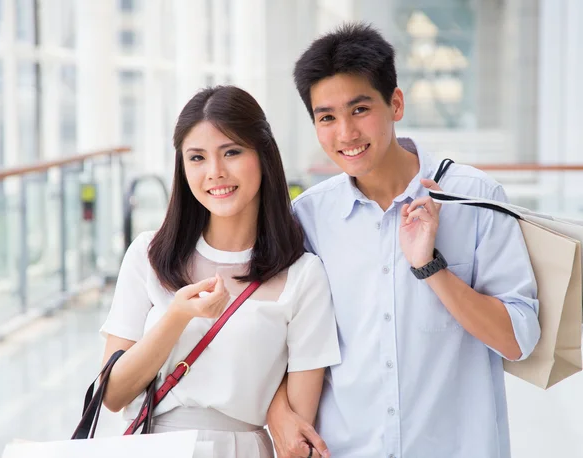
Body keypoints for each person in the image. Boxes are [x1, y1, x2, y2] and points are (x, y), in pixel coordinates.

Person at [267, 23, 541, 458]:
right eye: (327, 118)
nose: (346, 134)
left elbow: (518, 340)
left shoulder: (475, 198)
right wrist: (277, 413)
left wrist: (430, 268)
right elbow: (272, 342)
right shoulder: (308, 219)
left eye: (360, 109)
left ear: (395, 103)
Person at [99, 85, 341, 458]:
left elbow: (297, 423)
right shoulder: (148, 255)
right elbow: (113, 395)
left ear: (262, 156)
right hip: (151, 445)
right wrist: (177, 316)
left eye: (231, 152)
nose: (215, 172)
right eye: (197, 158)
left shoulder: (302, 275)